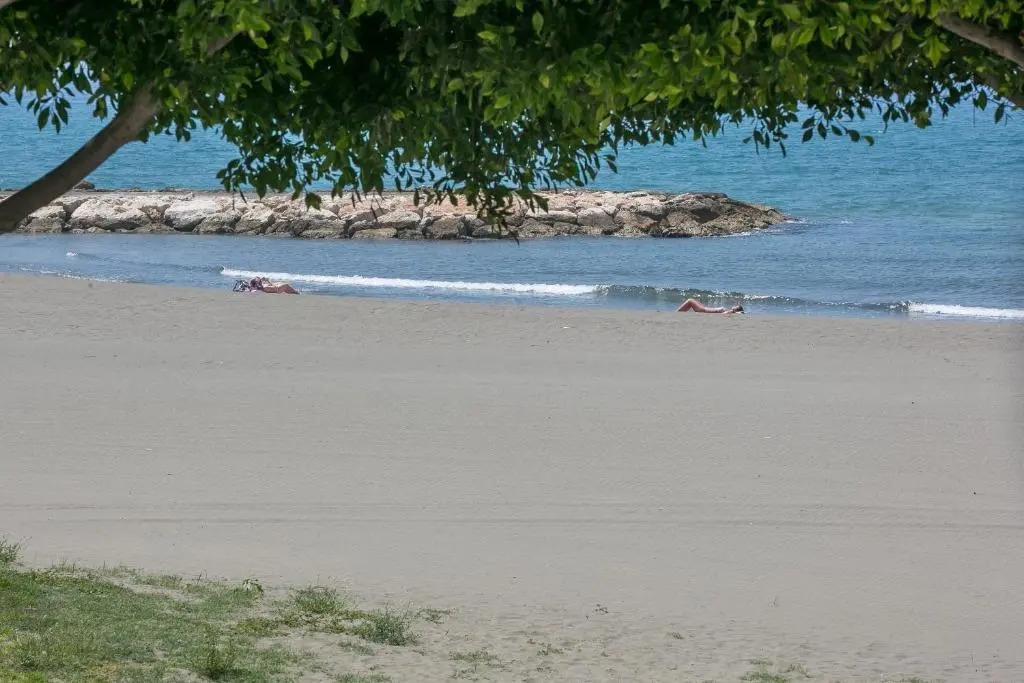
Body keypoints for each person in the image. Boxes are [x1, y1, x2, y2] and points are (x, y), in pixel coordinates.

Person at [677, 298, 743, 314]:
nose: (734, 305)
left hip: (702, 310)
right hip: (704, 308)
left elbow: (723, 314)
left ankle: (677, 313)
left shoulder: (729, 312)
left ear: (736, 309)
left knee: (690, 300)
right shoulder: (729, 311)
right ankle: (680, 312)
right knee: (692, 301)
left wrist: (732, 311)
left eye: (736, 306)